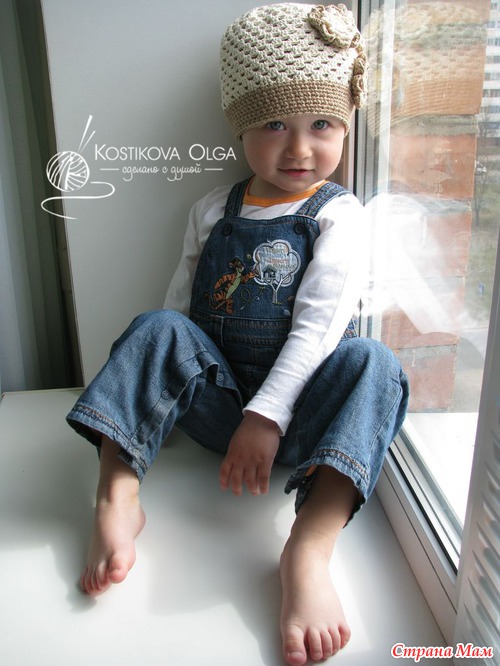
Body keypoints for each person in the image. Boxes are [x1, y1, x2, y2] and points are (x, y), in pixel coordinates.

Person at [67, 4, 409, 665]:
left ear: (346, 126)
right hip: (220, 412)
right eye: (275, 124)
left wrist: (267, 415)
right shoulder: (210, 210)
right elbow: (179, 316)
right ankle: (117, 491)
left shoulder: (339, 215)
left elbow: (318, 329)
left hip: (304, 422)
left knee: (376, 363)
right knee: (156, 325)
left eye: (322, 125)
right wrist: (165, 393)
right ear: (240, 125)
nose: (300, 149)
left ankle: (308, 547)